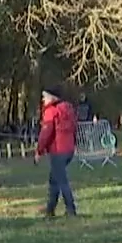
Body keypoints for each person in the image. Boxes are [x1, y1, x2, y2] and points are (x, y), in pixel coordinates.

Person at [35, 83, 79, 219]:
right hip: (68, 150)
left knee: (61, 181)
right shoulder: (68, 109)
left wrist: (39, 150)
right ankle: (50, 209)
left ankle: (71, 209)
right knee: (54, 179)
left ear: (52, 98)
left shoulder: (51, 111)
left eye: (45, 97)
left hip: (57, 150)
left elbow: (46, 133)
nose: (43, 100)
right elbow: (74, 128)